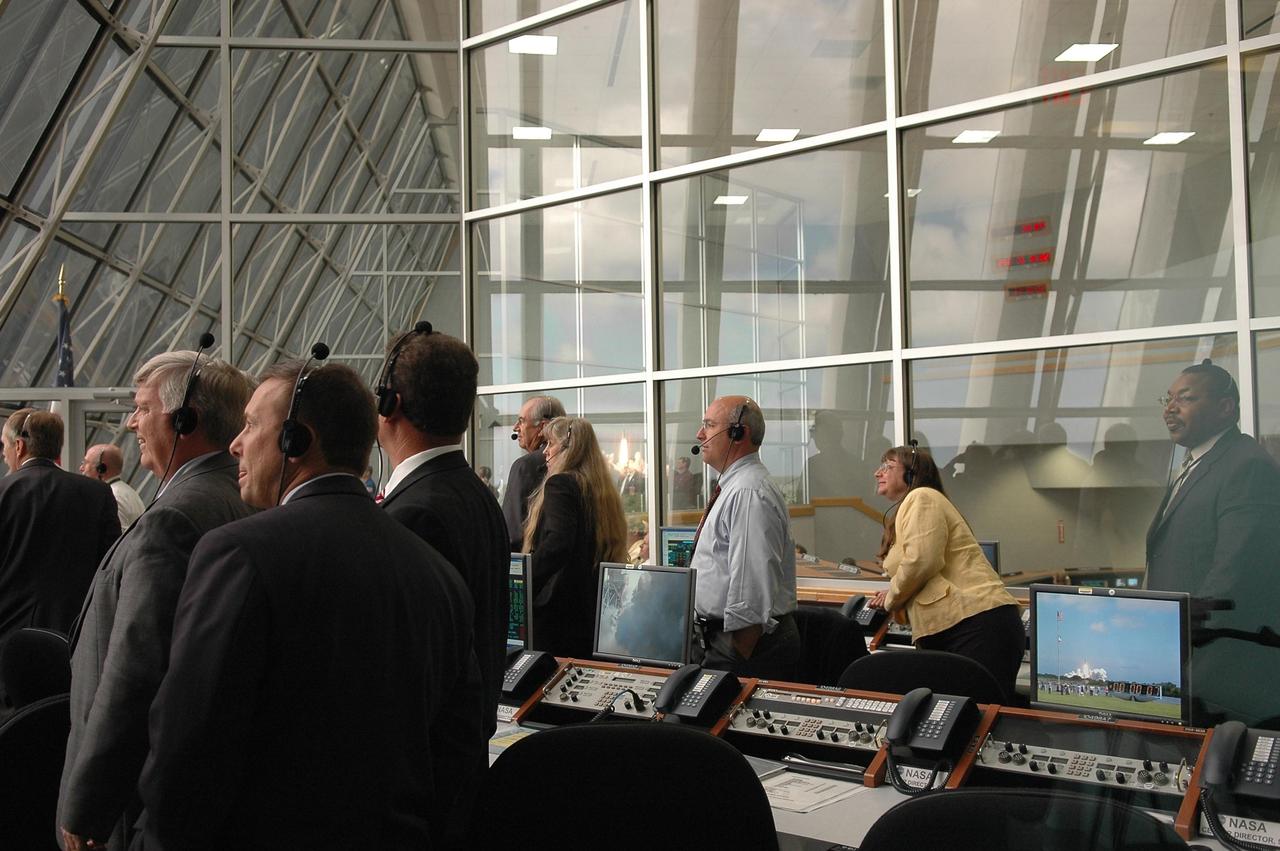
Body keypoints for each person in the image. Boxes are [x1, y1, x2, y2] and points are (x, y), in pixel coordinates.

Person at [137, 361, 485, 850]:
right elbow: (458, 751)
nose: (236, 444)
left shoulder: (238, 553)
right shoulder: (440, 576)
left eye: (251, 425)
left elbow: (189, 739)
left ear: (296, 440)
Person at [58, 353, 255, 851]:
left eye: (143, 409)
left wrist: (87, 807)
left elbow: (135, 672)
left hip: (134, 804)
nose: (132, 423)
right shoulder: (239, 497)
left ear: (184, 420)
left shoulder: (174, 519)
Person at [376, 325, 508, 739]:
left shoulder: (414, 514)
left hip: (429, 756)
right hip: (463, 746)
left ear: (389, 404)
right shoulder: (476, 495)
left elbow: (412, 665)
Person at [1146, 361, 1280, 724]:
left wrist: (1181, 638)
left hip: (1223, 668)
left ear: (1225, 407)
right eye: (1168, 399)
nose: (1170, 409)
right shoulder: (1196, 463)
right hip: (1187, 659)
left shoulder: (1246, 466)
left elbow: (1236, 571)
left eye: (1186, 398)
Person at [866, 444, 1023, 702]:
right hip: (961, 626)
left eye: (887, 466)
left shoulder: (922, 497)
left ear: (910, 474)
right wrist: (893, 592)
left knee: (976, 715)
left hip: (976, 625)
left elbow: (922, 560)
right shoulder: (910, 507)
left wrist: (892, 598)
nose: (877, 472)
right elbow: (919, 569)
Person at [0, 409, 118, 709]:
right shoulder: (97, 494)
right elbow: (110, 567)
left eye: (4, 446)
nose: (3, 454)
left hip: (6, 644)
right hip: (72, 642)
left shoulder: (3, 493)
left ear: (19, 446)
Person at [689, 396, 799, 679]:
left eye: (709, 425)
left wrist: (737, 653)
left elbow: (752, 586)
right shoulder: (735, 486)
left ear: (739, 433)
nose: (700, 434)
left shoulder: (748, 492)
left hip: (745, 644)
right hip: (726, 640)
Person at [522, 416, 628, 659]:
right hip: (594, 610)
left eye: (550, 444)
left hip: (558, 614)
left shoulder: (560, 484)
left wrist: (523, 580)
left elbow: (558, 543)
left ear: (569, 448)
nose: (545, 452)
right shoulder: (601, 490)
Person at [503, 395, 565, 551]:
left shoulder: (524, 467)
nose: (515, 427)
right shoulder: (580, 464)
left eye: (522, 421)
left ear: (543, 427)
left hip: (534, 562)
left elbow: (512, 534)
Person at [79, 443, 145, 529]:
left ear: (101, 468)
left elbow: (118, 535)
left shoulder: (112, 497)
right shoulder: (129, 492)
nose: (81, 468)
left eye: (86, 463)